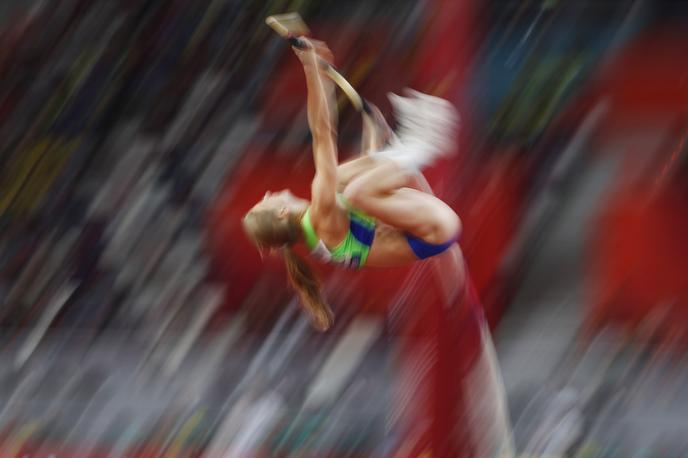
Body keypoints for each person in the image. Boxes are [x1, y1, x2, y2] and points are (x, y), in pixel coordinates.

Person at [242, 38, 461, 331]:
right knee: (350, 188)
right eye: (265, 201)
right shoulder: (320, 218)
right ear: (281, 213)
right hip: (434, 228)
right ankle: (421, 144)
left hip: (426, 224)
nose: (268, 193)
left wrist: (372, 142)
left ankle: (396, 150)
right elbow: (323, 132)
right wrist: (312, 70)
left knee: (343, 181)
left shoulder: (319, 226)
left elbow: (371, 223)